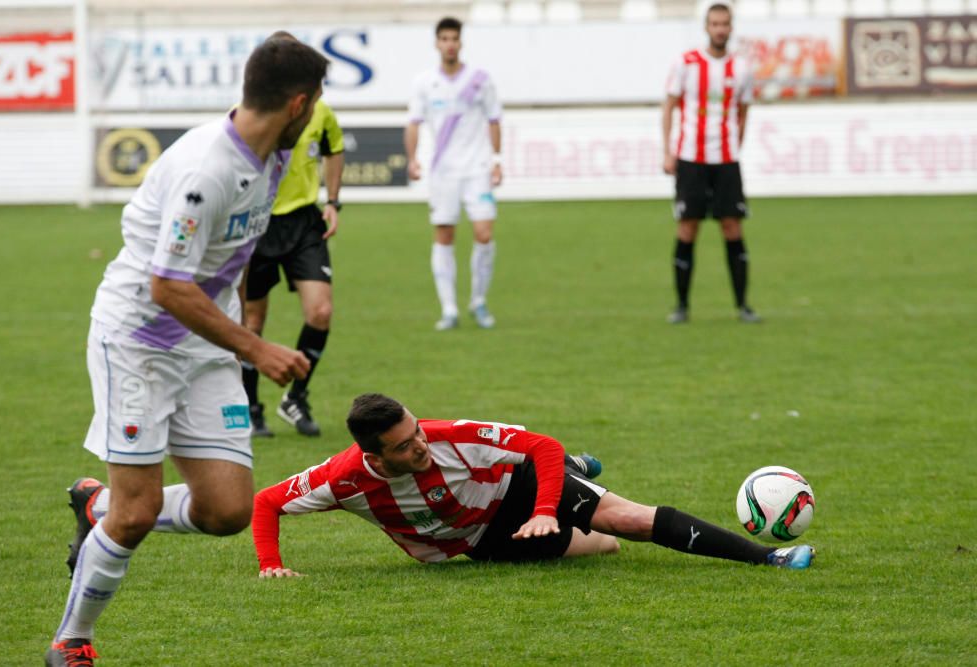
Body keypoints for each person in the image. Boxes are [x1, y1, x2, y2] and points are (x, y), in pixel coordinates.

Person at [44, 35, 329, 667]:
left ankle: (95, 505)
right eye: (314, 106)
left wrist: (236, 334)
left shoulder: (274, 157)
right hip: (139, 343)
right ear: (298, 103)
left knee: (228, 510)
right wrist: (256, 347)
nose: (314, 117)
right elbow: (167, 285)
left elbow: (229, 257)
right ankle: (72, 640)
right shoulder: (208, 171)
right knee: (138, 512)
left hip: (203, 346)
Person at [242, 393, 815, 575]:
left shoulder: (449, 435)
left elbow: (539, 444)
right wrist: (270, 566)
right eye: (405, 446)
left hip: (515, 491)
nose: (420, 446)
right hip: (478, 544)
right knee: (605, 546)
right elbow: (266, 502)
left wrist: (543, 506)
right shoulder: (342, 479)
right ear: (373, 454)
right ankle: (571, 479)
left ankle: (769, 558)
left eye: (417, 433)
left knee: (625, 521)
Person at [242, 98, 345, 438]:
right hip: (259, 224)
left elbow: (335, 148)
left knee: (321, 312)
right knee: (251, 322)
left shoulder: (321, 111)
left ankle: (296, 396)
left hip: (304, 222)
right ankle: (250, 407)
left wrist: (332, 200)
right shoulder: (249, 111)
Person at [661, 3, 760, 324]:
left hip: (726, 159)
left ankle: (742, 305)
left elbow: (743, 112)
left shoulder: (742, 68)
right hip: (691, 158)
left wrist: (735, 146)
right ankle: (681, 305)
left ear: (731, 28)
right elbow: (669, 107)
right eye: (714, 23)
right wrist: (668, 150)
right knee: (688, 227)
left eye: (724, 24)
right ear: (706, 27)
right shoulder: (686, 64)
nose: (719, 29)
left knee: (732, 226)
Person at [405, 16, 503, 331]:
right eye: (444, 38)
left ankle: (478, 301)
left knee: (484, 234)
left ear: (461, 42)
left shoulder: (480, 79)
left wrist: (497, 159)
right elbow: (414, 122)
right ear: (437, 43)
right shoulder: (424, 82)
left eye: (454, 39)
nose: (450, 44)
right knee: (444, 235)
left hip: (476, 169)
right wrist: (413, 159)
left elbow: (494, 118)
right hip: (443, 172)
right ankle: (449, 309)